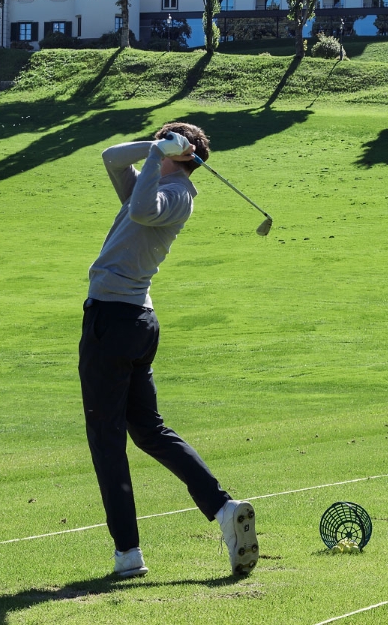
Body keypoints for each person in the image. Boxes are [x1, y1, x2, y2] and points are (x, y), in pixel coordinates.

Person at [80, 122, 258, 580]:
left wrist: (160, 158)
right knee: (148, 431)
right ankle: (222, 509)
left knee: (106, 438)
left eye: (163, 144)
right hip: (132, 321)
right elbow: (110, 157)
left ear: (184, 157)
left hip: (116, 321)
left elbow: (141, 211)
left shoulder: (174, 196)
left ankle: (128, 554)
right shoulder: (155, 181)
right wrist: (156, 148)